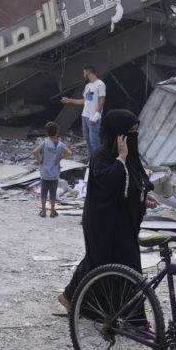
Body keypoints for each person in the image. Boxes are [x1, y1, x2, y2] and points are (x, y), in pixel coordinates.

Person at [58, 109, 157, 311]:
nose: (133, 136)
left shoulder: (131, 155)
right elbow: (109, 182)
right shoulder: (101, 156)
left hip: (122, 222)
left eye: (136, 131)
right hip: (102, 220)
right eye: (130, 131)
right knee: (100, 262)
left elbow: (133, 181)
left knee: (119, 264)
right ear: (117, 132)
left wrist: (144, 196)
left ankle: (127, 314)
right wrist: (120, 158)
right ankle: (78, 300)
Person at [60, 65, 105, 159]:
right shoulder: (88, 86)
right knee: (87, 140)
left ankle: (98, 160)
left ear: (88, 72)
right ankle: (91, 159)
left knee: (94, 141)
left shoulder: (100, 84)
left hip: (93, 117)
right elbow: (85, 101)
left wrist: (96, 115)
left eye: (84, 73)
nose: (83, 75)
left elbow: (101, 100)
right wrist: (69, 100)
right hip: (85, 116)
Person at [33, 121, 71, 218]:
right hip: (54, 173)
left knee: (44, 193)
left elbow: (35, 152)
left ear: (47, 132)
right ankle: (53, 211)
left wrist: (39, 160)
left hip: (44, 173)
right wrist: (60, 158)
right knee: (53, 193)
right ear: (57, 132)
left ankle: (44, 211)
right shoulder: (61, 144)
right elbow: (69, 153)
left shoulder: (44, 143)